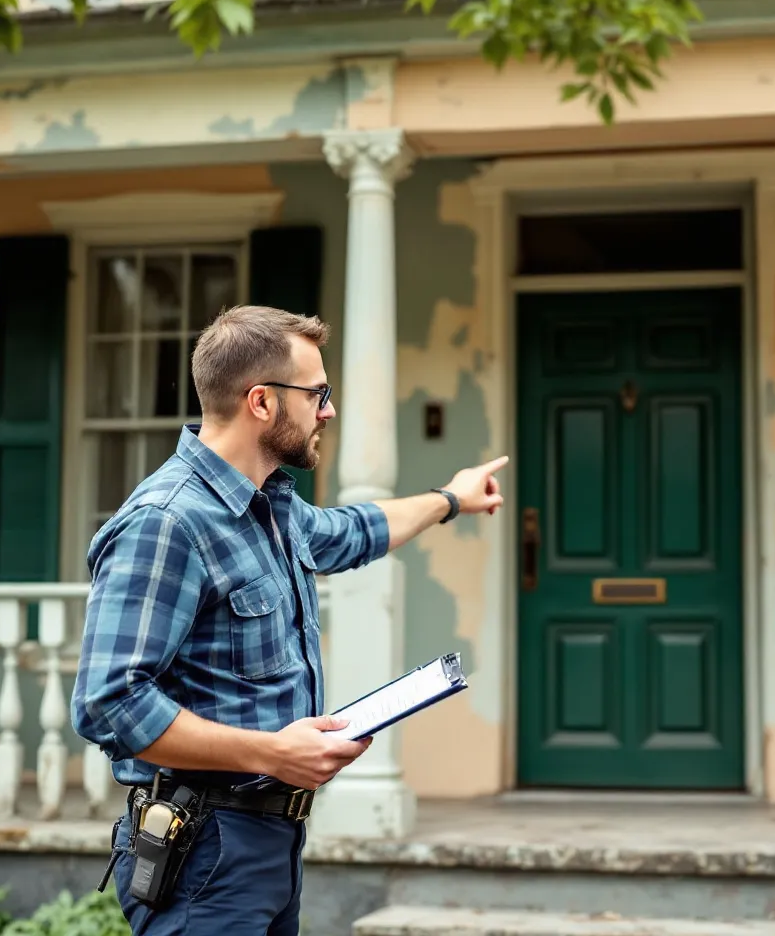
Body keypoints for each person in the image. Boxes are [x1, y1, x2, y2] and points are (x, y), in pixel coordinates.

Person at [70, 304, 507, 936]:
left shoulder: (272, 508)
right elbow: (109, 703)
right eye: (318, 394)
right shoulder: (167, 523)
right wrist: (275, 753)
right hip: (205, 851)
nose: (328, 410)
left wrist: (450, 500)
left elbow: (354, 531)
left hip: (269, 844)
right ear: (262, 402)